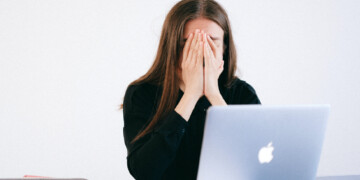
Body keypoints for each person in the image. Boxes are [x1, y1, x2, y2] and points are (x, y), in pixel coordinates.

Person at [120, 0, 261, 179]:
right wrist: (191, 95)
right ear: (171, 47)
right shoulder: (141, 93)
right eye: (189, 43)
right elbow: (144, 171)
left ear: (224, 47)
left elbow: (255, 163)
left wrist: (213, 94)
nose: (201, 51)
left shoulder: (242, 93)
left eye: (211, 42)